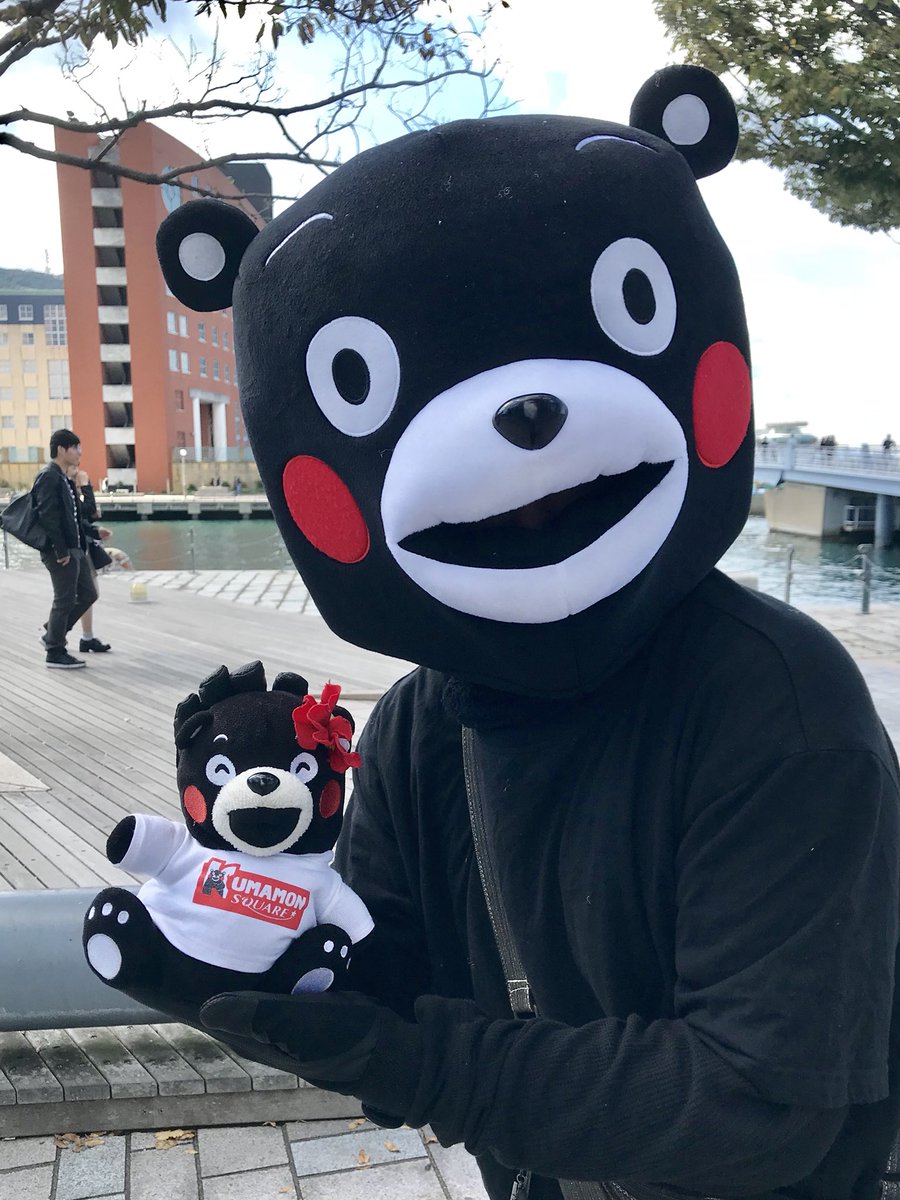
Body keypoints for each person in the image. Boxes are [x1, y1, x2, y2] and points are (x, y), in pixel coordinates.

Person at [153, 66, 900, 1200]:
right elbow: (391, 978)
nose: (526, 464)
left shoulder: (780, 703)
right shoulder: (419, 725)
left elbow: (760, 1107)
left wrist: (427, 1067)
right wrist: (261, 916)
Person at [32, 430, 99, 668]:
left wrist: (89, 535)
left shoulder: (63, 477)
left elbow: (74, 516)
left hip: (75, 548)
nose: (80, 452)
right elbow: (47, 515)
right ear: (62, 449)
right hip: (60, 552)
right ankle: (55, 651)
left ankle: (53, 633)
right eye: (76, 447)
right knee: (65, 599)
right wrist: (60, 550)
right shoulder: (49, 476)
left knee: (89, 594)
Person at [69, 466, 113, 653]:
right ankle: (53, 633)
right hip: (72, 550)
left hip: (81, 547)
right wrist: (86, 486)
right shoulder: (63, 487)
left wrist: (94, 528)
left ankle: (86, 637)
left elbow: (83, 516)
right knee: (84, 595)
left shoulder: (70, 490)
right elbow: (87, 509)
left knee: (87, 594)